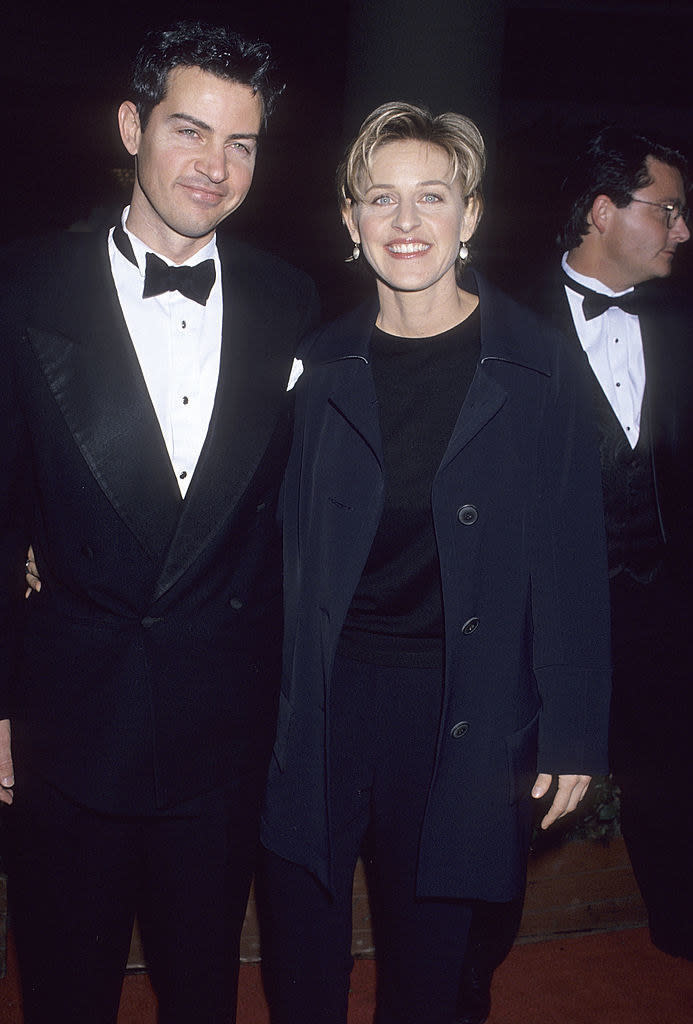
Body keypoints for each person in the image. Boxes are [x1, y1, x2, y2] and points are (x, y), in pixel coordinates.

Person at [257, 101, 612, 1024]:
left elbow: (573, 556)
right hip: (323, 701)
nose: (406, 223)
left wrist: (573, 726)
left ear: (472, 214)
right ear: (350, 221)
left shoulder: (538, 367)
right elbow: (249, 526)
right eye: (381, 198)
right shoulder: (315, 364)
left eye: (432, 196)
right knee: (301, 956)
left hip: (463, 706)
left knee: (432, 973)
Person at [0, 20, 318, 1024]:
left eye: (243, 142)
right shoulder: (20, 286)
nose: (216, 167)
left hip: (222, 731)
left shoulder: (294, 298)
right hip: (66, 721)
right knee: (63, 991)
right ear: (133, 124)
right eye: (189, 130)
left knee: (202, 992)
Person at [535, 126, 693, 960]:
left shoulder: (681, 323)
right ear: (602, 210)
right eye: (668, 210)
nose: (682, 229)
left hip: (664, 610)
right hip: (549, 620)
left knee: (676, 788)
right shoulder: (503, 322)